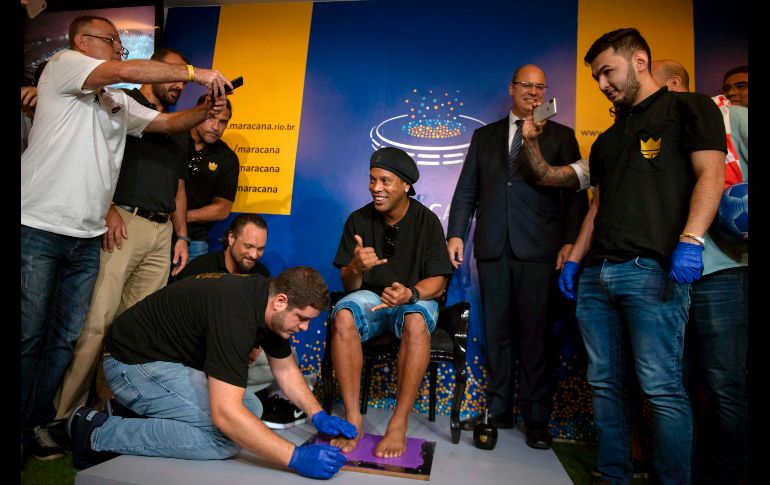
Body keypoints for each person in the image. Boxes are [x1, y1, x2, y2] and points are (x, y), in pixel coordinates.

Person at [21, 14, 231, 462]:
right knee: (31, 333)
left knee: (64, 336)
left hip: (86, 235)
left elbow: (166, 125)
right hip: (39, 225)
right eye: (113, 40)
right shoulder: (63, 65)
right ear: (82, 42)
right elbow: (124, 70)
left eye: (120, 42)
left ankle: (44, 423)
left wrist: (206, 110)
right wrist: (195, 73)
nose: (120, 48)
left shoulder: (116, 101)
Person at [560, 28, 725, 484]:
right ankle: (613, 474)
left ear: (639, 60)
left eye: (607, 72)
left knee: (661, 388)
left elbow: (711, 175)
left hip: (651, 271)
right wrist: (575, 259)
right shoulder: (608, 140)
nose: (602, 84)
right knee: (603, 385)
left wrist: (691, 240)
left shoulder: (690, 108)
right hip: (597, 276)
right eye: (596, 77)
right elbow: (598, 206)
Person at [67, 267, 356, 480]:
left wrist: (317, 414)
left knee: (252, 408)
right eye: (302, 318)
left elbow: (285, 368)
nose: (305, 328)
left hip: (164, 362)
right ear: (281, 301)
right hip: (130, 364)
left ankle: (134, 412)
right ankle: (96, 432)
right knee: (225, 439)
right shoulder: (236, 317)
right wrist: (295, 457)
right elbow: (225, 415)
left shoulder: (266, 301)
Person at [446, 65, 588, 450]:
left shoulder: (562, 136)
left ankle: (537, 418)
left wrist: (570, 242)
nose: (533, 92)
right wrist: (456, 233)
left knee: (536, 336)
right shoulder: (484, 136)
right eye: (526, 84)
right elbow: (466, 190)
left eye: (540, 86)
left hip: (540, 251)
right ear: (511, 88)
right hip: (492, 249)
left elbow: (576, 196)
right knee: (497, 333)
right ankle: (498, 410)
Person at [53, 47, 195, 429]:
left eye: (184, 80)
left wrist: (182, 236)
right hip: (123, 224)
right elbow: (92, 159)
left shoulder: (179, 126)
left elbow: (179, 187)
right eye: (174, 75)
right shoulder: (120, 102)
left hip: (162, 234)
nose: (179, 84)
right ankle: (61, 415)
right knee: (96, 325)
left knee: (135, 333)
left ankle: (107, 413)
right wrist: (108, 206)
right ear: (151, 71)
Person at [652, 58, 749, 484]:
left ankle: (727, 476)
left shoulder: (733, 118)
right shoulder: (659, 134)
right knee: (678, 384)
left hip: (721, 271)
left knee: (725, 383)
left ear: (674, 85)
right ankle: (682, 474)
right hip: (668, 275)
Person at [329, 147, 453, 458]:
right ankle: (353, 419)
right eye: (372, 180)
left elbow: (438, 282)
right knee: (343, 314)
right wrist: (356, 266)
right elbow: (349, 286)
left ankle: (398, 423)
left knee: (415, 318)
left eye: (385, 181)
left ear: (406, 185)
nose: (376, 187)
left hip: (414, 297)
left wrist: (410, 294)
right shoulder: (358, 219)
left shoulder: (427, 222)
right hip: (373, 298)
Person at [175, 213, 311, 429]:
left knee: (288, 356)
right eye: (248, 246)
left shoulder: (261, 274)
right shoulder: (201, 268)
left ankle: (233, 397)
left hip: (237, 350)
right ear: (231, 238)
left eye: (260, 249)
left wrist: (256, 343)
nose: (254, 254)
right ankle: (216, 399)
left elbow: (263, 321)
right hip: (199, 354)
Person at [179, 94, 239, 260]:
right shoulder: (174, 139)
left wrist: (180, 217)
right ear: (198, 112)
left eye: (223, 122)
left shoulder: (227, 158)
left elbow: (222, 210)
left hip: (195, 239)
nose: (216, 127)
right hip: (156, 230)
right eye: (211, 117)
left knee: (192, 279)